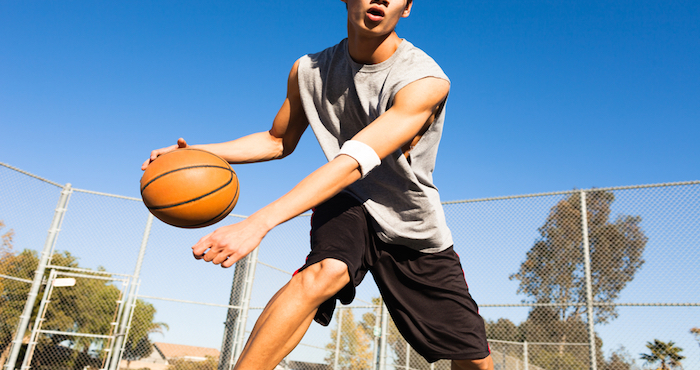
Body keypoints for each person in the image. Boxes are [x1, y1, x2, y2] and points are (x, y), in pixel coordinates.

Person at [143, 1, 494, 369]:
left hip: (409, 222)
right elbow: (277, 140)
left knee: (474, 360)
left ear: (406, 9)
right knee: (327, 270)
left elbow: (354, 160)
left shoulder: (424, 80)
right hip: (348, 198)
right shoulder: (308, 70)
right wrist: (193, 152)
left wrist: (258, 222)